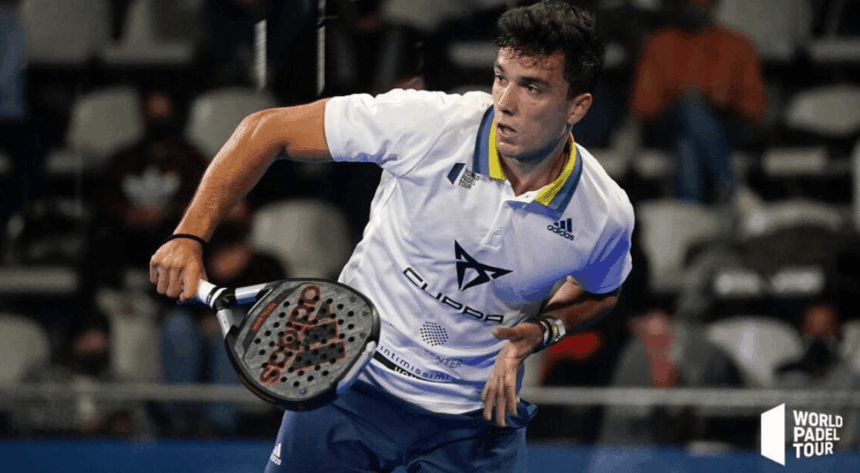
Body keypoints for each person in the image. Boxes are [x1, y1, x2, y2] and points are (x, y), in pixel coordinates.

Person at [150, 1, 634, 471]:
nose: (505, 102)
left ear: (577, 107)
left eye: (532, 87)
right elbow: (267, 129)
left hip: (474, 424)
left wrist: (543, 330)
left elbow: (600, 292)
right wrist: (190, 236)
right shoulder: (428, 124)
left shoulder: (602, 214)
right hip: (347, 384)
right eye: (500, 77)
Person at [629, 0, 767, 204]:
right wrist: (681, 98)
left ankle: (691, 213)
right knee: (689, 111)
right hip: (668, 125)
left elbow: (755, 110)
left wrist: (712, 99)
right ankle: (732, 190)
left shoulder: (737, 45)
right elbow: (643, 108)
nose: (695, 9)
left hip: (725, 126)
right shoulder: (659, 43)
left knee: (687, 143)